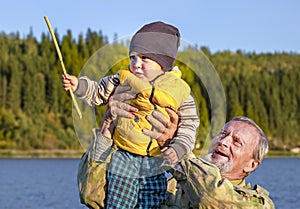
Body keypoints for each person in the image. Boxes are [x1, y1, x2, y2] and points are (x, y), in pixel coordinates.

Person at [62, 21, 200, 208]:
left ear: (163, 64)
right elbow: (98, 92)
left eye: (144, 59)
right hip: (123, 154)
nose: (136, 65)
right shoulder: (123, 80)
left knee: (152, 198)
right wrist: (78, 86)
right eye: (133, 58)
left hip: (154, 160)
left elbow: (189, 125)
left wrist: (179, 148)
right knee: (119, 199)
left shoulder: (178, 92)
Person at [160, 116, 275, 208]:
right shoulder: (173, 184)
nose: (223, 142)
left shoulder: (259, 204)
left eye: (236, 142)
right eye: (223, 134)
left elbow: (210, 198)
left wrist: (177, 146)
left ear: (251, 165)